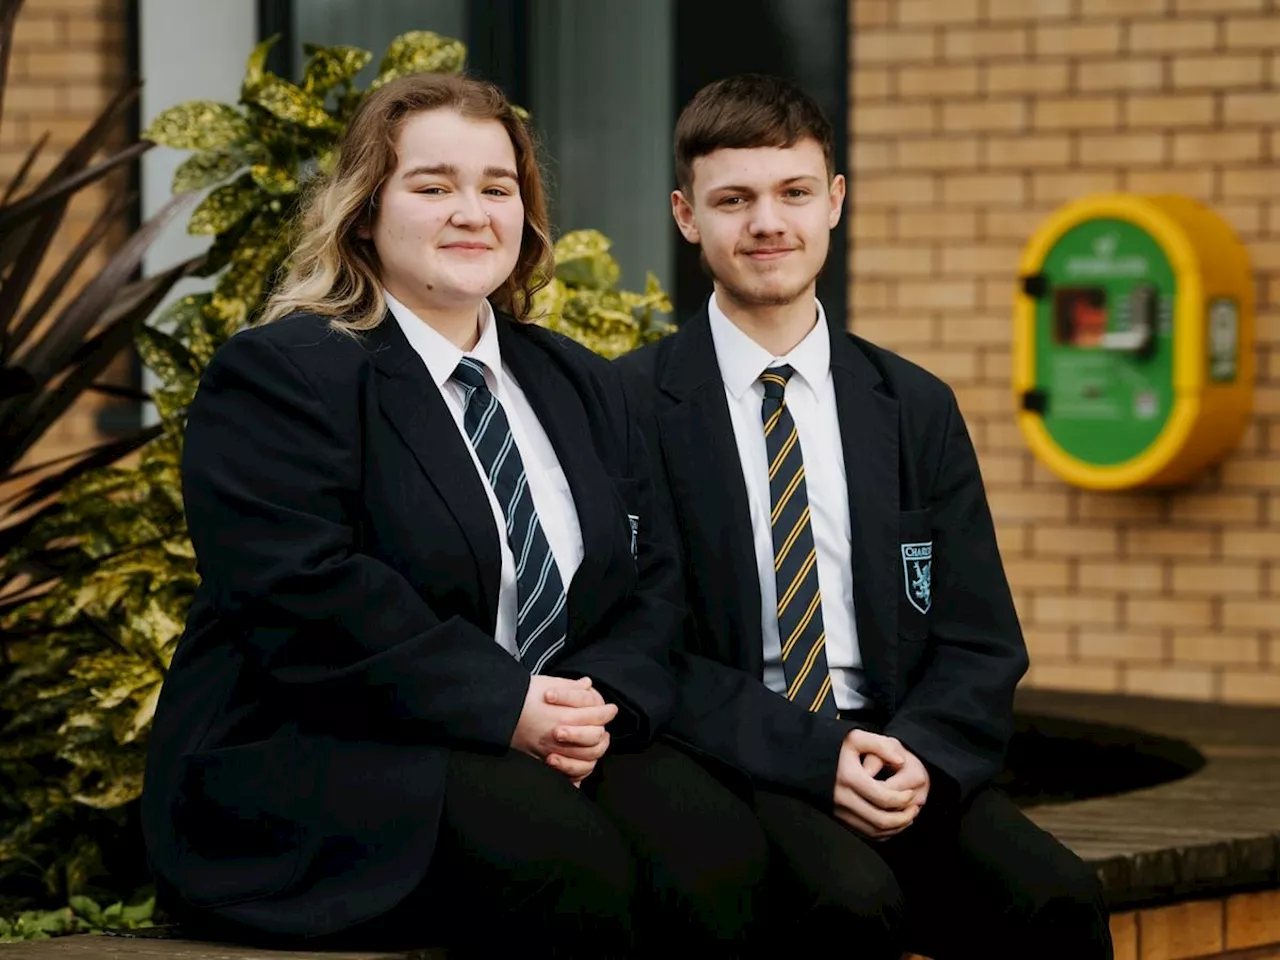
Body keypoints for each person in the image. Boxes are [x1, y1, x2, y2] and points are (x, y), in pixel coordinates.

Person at [141, 73, 767, 957]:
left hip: (549, 735)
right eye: (433, 186)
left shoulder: (581, 384)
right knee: (566, 865)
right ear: (365, 211)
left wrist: (597, 708)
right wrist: (507, 704)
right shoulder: (285, 374)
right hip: (326, 749)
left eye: (497, 188)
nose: (472, 212)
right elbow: (303, 595)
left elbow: (649, 586)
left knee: (719, 855)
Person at [617, 73, 1114, 959]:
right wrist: (813, 757)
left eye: (794, 193)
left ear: (834, 202)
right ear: (688, 215)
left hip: (897, 752)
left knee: (1057, 900)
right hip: (740, 758)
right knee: (847, 907)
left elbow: (979, 637)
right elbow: (644, 648)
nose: (767, 222)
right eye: (734, 199)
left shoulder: (913, 406)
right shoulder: (628, 406)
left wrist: (918, 754)